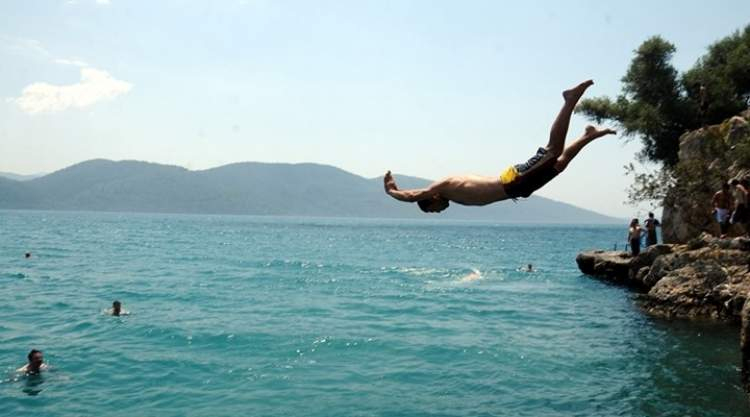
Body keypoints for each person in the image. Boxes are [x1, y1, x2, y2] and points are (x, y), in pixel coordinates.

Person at [384, 80, 616, 212]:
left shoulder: (441, 186)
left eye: (434, 210)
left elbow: (414, 195)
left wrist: (393, 192)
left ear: (431, 199)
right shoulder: (451, 194)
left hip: (513, 180)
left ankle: (569, 100)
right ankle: (589, 135)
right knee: (560, 164)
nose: (439, 211)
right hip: (518, 188)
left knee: (553, 150)